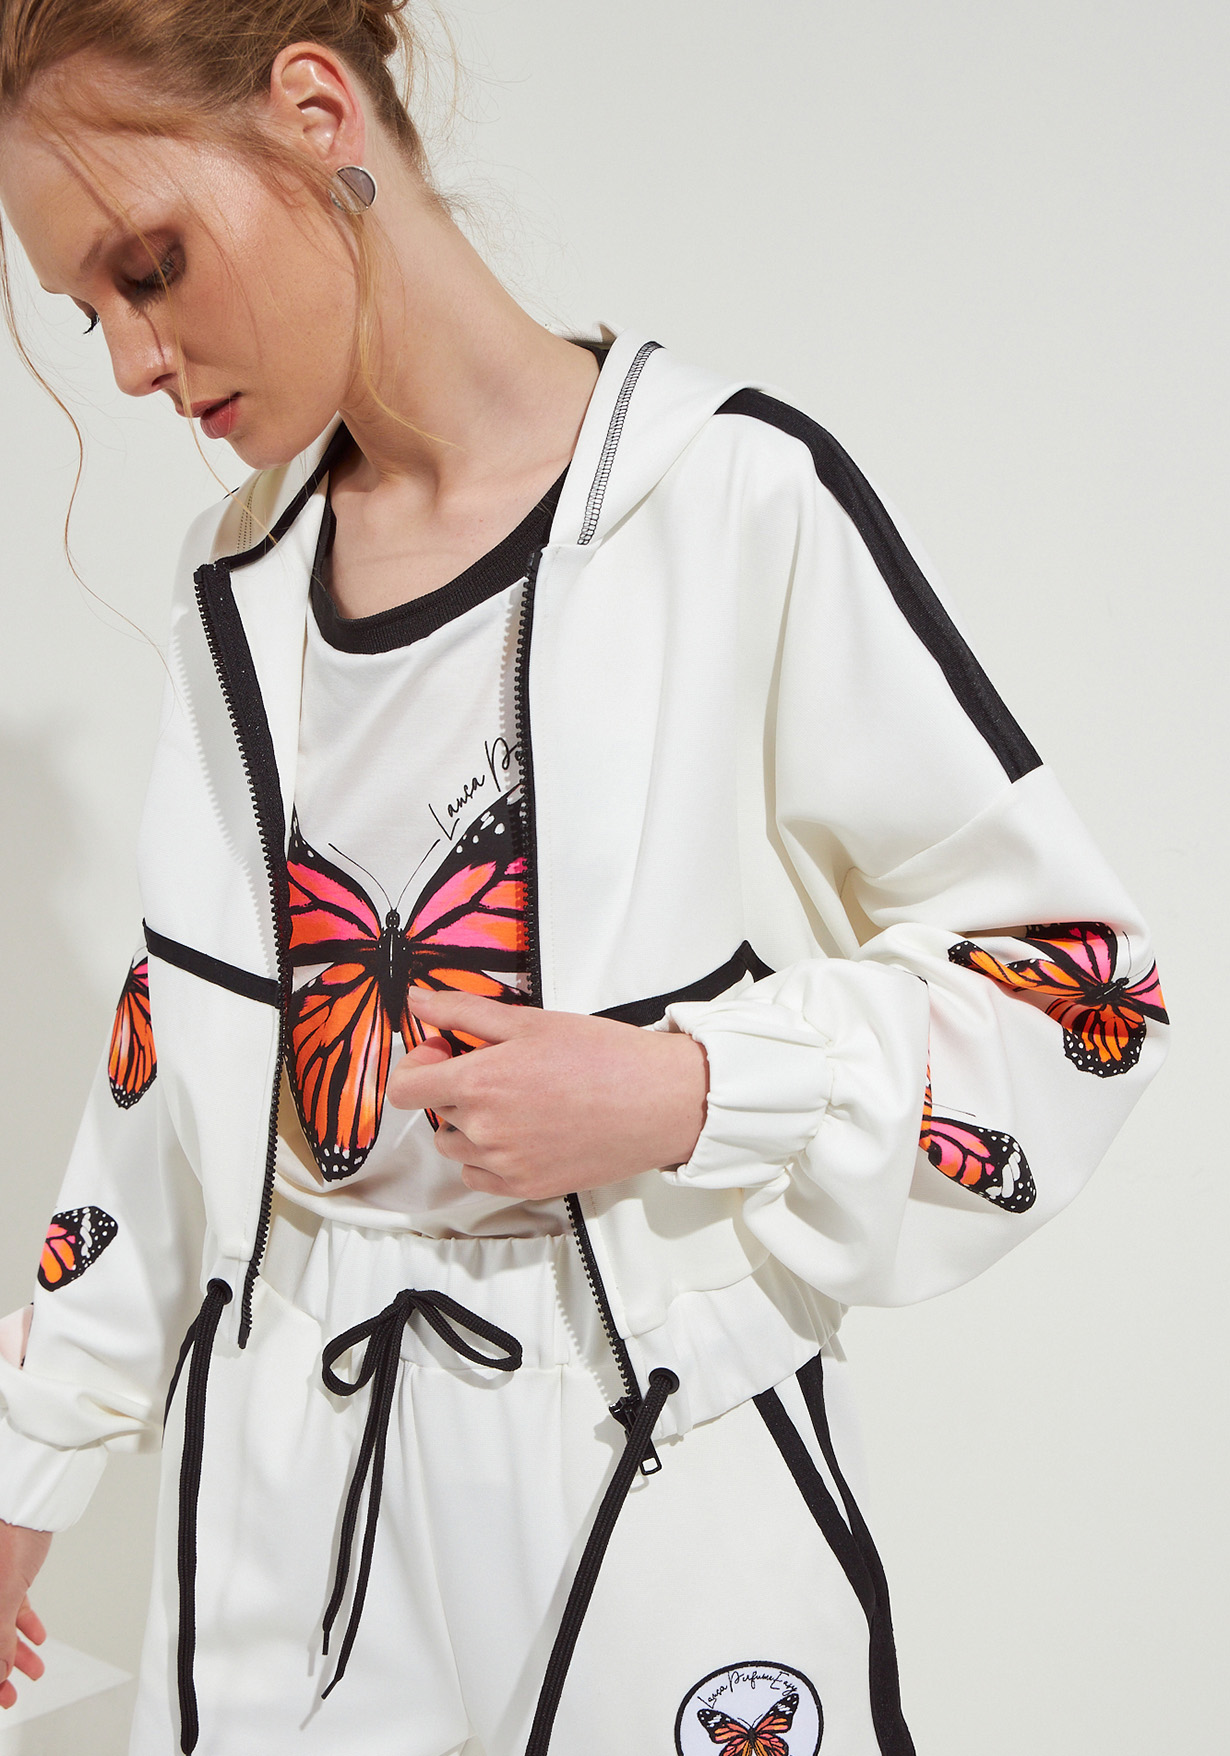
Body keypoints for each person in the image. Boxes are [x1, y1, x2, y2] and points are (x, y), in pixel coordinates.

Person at [0, 4, 1168, 1754]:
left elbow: (1078, 985)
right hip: (291, 1482)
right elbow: (179, 1037)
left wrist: (691, 1090)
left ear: (315, 112)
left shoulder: (722, 498)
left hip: (649, 1443)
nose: (131, 366)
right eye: (87, 312)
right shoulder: (234, 581)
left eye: (147, 268)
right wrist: (29, 1459)